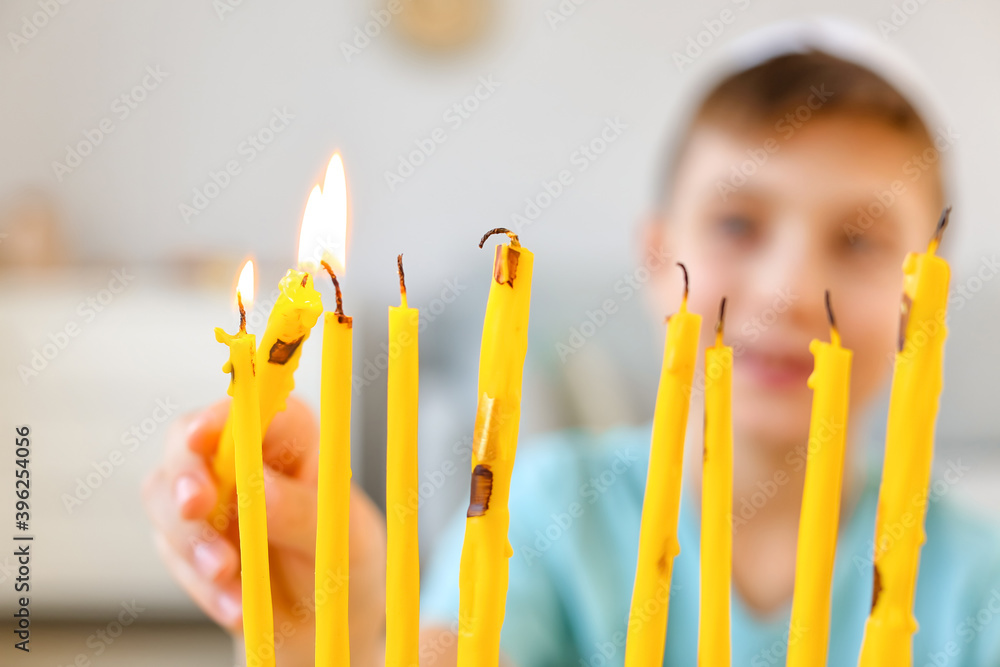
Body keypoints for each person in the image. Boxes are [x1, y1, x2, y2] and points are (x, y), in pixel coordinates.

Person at [143, 22, 1000, 666]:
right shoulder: (554, 509)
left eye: (857, 240)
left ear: (923, 299)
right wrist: (337, 617)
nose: (784, 288)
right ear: (657, 257)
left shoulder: (977, 574)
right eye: (739, 222)